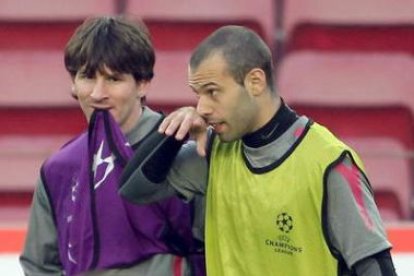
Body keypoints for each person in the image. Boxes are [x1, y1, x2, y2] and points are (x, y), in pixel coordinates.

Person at [119, 25, 397, 275]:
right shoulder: (214, 153)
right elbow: (133, 190)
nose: (201, 108)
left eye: (212, 92)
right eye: (197, 94)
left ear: (255, 82)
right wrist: (171, 136)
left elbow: (375, 267)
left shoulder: (328, 162)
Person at [19, 16, 205, 276]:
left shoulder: (186, 148)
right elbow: (39, 267)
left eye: (113, 79)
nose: (97, 93)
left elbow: (220, 253)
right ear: (73, 82)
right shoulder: (58, 169)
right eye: (87, 77)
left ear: (143, 84)